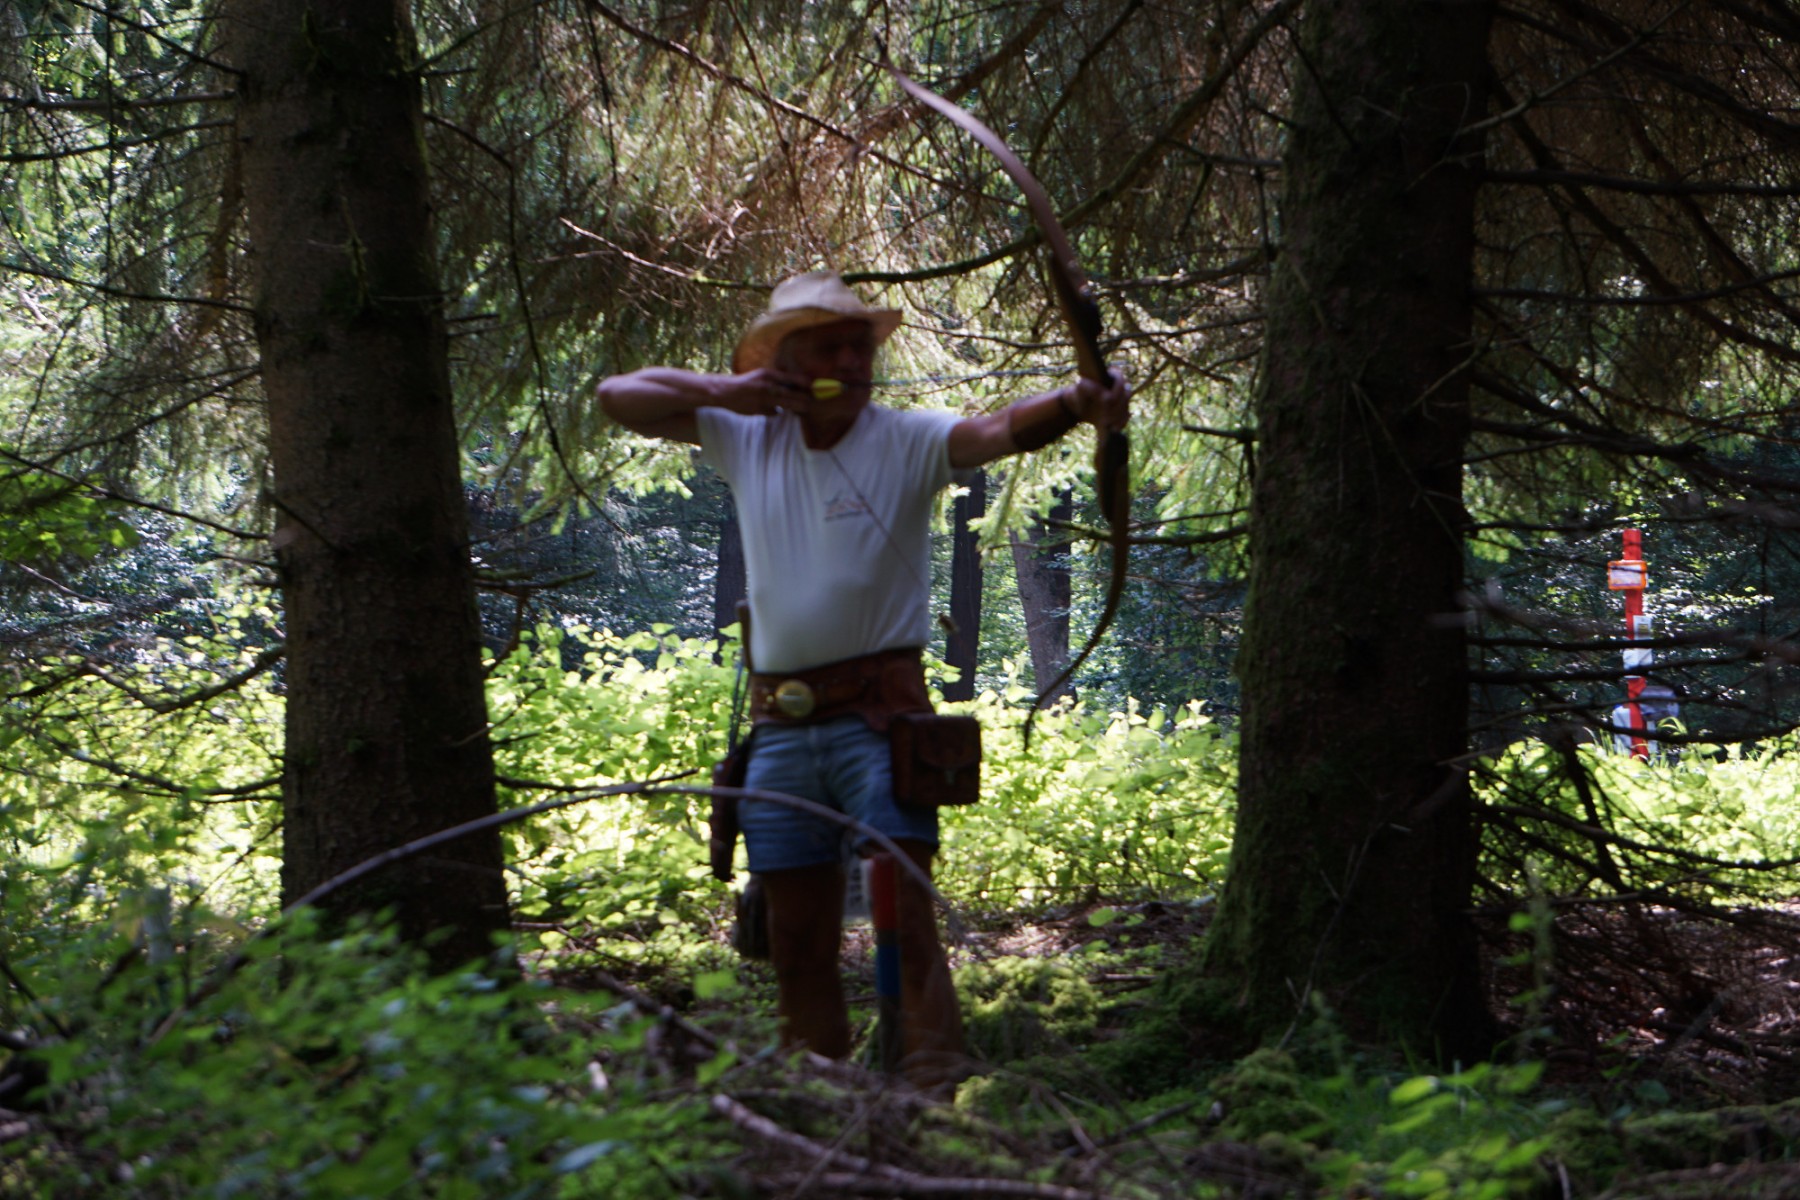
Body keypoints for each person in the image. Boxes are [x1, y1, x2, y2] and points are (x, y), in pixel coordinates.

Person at [597, 270, 1128, 1084]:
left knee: (906, 917)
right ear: (784, 362)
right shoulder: (743, 434)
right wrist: (732, 393)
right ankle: (821, 1102)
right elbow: (617, 396)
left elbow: (992, 432)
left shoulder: (906, 438)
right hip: (781, 731)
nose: (851, 362)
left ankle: (932, 1097)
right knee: (794, 939)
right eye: (829, 348)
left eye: (859, 347)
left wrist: (1076, 403)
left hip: (880, 724)